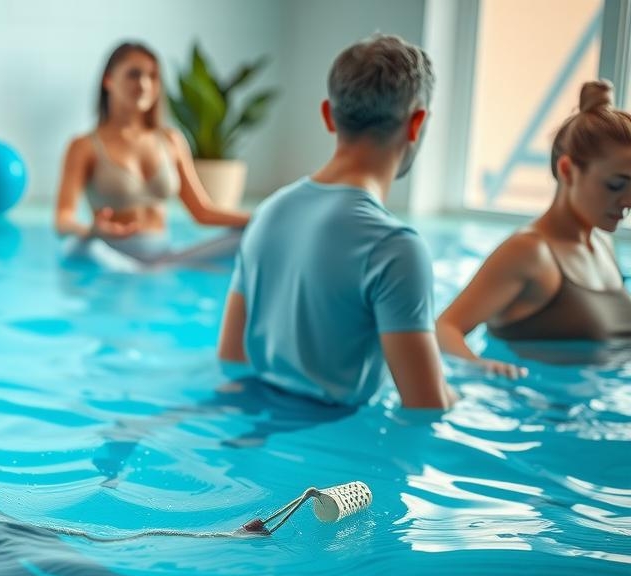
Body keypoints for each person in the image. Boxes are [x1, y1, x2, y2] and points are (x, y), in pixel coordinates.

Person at [217, 34, 453, 409]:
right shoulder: (396, 247)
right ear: (416, 123)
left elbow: (231, 357)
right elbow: (427, 406)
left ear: (328, 115)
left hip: (251, 432)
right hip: (334, 451)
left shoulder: (267, 213)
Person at [436, 80, 631, 374]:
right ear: (567, 170)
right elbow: (445, 327)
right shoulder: (529, 252)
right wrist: (480, 367)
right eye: (616, 185)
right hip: (546, 411)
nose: (628, 201)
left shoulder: (601, 243)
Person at [55, 41, 250, 268]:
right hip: (111, 259)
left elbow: (202, 212)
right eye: (133, 75)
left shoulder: (171, 140)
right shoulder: (84, 145)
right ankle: (135, 273)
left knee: (248, 237)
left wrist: (259, 218)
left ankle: (151, 273)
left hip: (166, 258)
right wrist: (91, 230)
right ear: (108, 80)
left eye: (153, 76)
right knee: (79, 247)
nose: (144, 84)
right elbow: (63, 219)